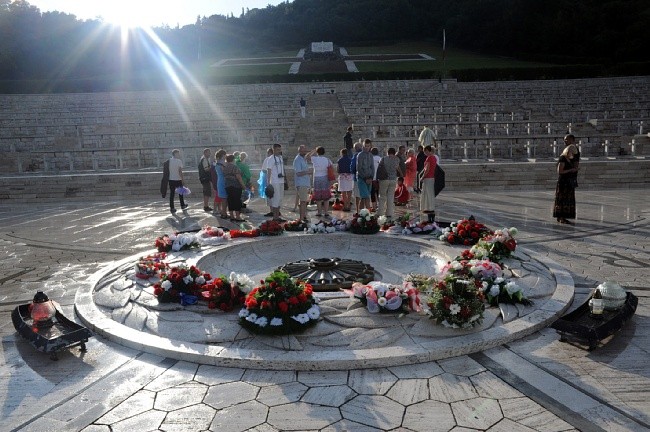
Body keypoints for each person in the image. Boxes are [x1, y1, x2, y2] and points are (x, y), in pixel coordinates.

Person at [553, 134, 580, 224]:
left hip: (569, 180)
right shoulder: (563, 157)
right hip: (563, 180)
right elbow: (560, 171)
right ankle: (561, 217)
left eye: (567, 140)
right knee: (562, 198)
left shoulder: (575, 155)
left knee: (567, 199)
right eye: (564, 140)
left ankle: (563, 216)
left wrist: (574, 169)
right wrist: (571, 170)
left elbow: (576, 165)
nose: (565, 141)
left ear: (572, 141)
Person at [377, 147, 403, 220]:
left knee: (382, 196)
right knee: (391, 196)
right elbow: (398, 168)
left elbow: (380, 167)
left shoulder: (384, 158)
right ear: (394, 153)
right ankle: (389, 213)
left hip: (384, 179)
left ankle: (380, 212)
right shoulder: (397, 159)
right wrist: (401, 174)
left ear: (388, 152)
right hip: (393, 179)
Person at [222, 154, 247, 222]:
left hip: (228, 186)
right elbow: (238, 177)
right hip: (236, 186)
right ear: (233, 160)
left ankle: (232, 216)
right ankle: (238, 216)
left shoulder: (225, 167)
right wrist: (243, 186)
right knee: (237, 201)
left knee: (230, 200)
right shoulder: (235, 167)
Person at [310, 146, 333, 217]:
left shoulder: (315, 159)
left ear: (317, 152)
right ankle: (326, 212)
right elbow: (331, 167)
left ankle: (319, 212)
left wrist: (313, 151)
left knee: (318, 197)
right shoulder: (327, 159)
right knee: (326, 196)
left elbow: (307, 156)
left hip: (317, 178)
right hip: (325, 178)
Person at [266, 143, 286, 222]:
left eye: (280, 150)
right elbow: (269, 170)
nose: (279, 151)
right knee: (275, 199)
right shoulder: (270, 159)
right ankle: (275, 217)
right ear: (273, 150)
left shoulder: (280, 158)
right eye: (277, 150)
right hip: (275, 181)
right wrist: (268, 182)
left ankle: (278, 216)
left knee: (280, 199)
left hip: (281, 180)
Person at [420, 145, 439, 223]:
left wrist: (422, 177)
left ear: (428, 150)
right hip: (432, 177)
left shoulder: (429, 158)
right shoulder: (434, 157)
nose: (424, 153)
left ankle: (428, 207)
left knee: (427, 193)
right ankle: (430, 207)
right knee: (430, 193)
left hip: (428, 177)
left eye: (425, 151)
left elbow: (427, 169)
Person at [293, 145, 312, 221]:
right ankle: (301, 218)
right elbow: (298, 173)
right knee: (303, 201)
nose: (305, 152)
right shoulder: (298, 160)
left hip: (305, 183)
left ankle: (303, 216)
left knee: (304, 201)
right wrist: (308, 172)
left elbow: (309, 155)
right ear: (299, 151)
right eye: (303, 151)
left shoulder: (303, 159)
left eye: (305, 150)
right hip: (301, 183)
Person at [355, 139, 375, 212]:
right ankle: (368, 214)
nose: (367, 148)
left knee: (363, 197)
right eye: (365, 146)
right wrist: (365, 178)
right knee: (366, 196)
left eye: (368, 146)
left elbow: (372, 167)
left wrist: (371, 177)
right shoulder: (360, 155)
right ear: (363, 146)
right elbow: (359, 168)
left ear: (370, 146)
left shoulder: (370, 155)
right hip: (362, 178)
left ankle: (361, 213)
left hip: (369, 178)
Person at [167, 149, 187, 214]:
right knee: (180, 193)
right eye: (178, 153)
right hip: (178, 179)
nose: (179, 155)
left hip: (171, 179)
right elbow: (180, 171)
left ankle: (172, 207)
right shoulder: (179, 161)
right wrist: (183, 179)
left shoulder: (169, 161)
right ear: (175, 154)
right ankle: (182, 205)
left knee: (172, 194)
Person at [212, 149, 228, 219]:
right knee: (224, 198)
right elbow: (225, 172)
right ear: (223, 155)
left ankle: (223, 211)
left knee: (223, 198)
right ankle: (224, 212)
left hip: (219, 180)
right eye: (225, 155)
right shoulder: (222, 163)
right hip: (223, 181)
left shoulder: (217, 162)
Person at [259, 147, 274, 215]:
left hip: (268, 179)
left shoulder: (267, 159)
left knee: (270, 195)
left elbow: (263, 170)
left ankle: (272, 211)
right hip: (275, 179)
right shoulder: (276, 159)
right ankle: (276, 210)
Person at [350, 140, 363, 213]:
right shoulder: (367, 154)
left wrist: (353, 172)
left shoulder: (355, 156)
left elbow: (352, 167)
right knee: (364, 195)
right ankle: (365, 210)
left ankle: (358, 210)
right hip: (366, 178)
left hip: (357, 177)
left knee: (357, 195)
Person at [370, 147, 382, 211]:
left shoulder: (370, 159)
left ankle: (374, 207)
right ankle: (380, 207)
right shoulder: (380, 159)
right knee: (378, 193)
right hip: (379, 178)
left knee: (372, 193)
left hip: (372, 178)